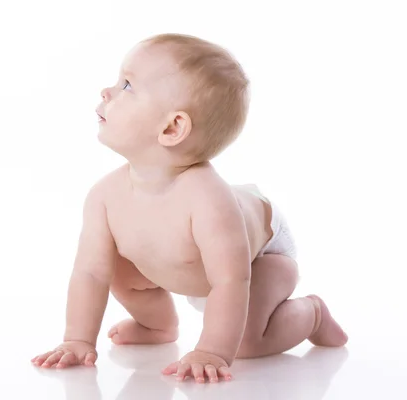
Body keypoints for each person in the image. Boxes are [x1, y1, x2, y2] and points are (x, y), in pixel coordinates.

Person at [31, 33, 348, 383]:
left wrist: (211, 350)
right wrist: (77, 340)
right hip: (185, 261)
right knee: (111, 263)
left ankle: (312, 314)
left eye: (127, 86)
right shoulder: (104, 196)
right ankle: (157, 325)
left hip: (259, 256)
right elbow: (90, 273)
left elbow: (231, 280)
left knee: (245, 342)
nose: (107, 92)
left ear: (172, 127)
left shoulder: (210, 202)